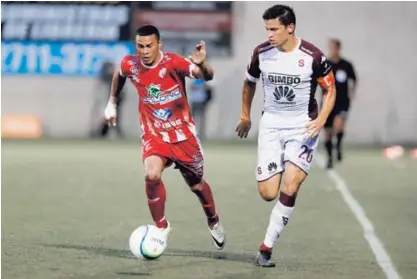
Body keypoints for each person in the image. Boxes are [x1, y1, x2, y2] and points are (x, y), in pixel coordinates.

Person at [103, 25, 226, 249]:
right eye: (140, 46)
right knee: (151, 174)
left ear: (159, 45)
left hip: (183, 136)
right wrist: (111, 103)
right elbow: (119, 75)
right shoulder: (130, 64)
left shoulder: (173, 62)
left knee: (197, 186)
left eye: (149, 45)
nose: (145, 50)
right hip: (154, 134)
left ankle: (213, 219)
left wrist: (201, 64)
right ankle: (161, 226)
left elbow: (205, 76)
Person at [235, 5, 336, 267]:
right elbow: (249, 83)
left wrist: (322, 120)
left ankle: (266, 247)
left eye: (274, 29)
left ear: (290, 28)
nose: (269, 34)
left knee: (291, 185)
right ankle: (279, 165)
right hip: (271, 126)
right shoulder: (261, 53)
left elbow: (330, 89)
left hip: (303, 126)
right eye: (267, 29)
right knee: (268, 193)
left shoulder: (313, 56)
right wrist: (245, 115)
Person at [323, 39, 357, 168]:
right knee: (327, 131)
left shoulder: (346, 65)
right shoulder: (325, 64)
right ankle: (330, 158)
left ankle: (338, 145)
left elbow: (354, 80)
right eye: (330, 48)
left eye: (333, 48)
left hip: (342, 101)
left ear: (338, 49)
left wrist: (351, 94)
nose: (332, 50)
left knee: (339, 125)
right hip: (327, 101)